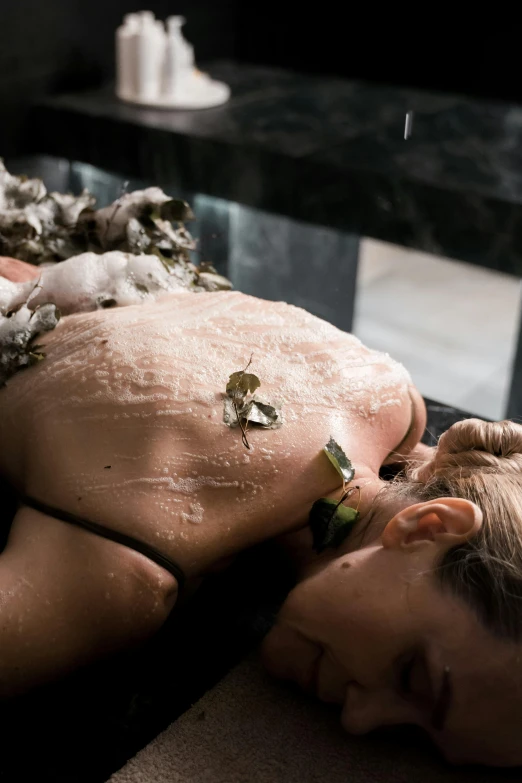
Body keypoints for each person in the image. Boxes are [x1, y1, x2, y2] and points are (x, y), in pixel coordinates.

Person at [0, 257, 520, 768]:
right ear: (427, 526)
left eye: (415, 739)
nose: (361, 721)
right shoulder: (130, 566)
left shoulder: (392, 400)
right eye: (413, 677)